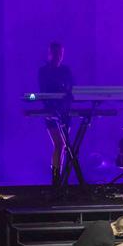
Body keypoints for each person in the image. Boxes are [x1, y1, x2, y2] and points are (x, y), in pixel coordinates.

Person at [38, 42, 75, 186]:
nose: (58, 57)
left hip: (65, 111)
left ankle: (58, 176)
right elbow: (43, 91)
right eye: (55, 53)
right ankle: (55, 177)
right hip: (51, 111)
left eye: (61, 54)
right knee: (59, 144)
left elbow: (72, 89)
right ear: (49, 54)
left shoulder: (66, 71)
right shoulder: (44, 71)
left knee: (63, 146)